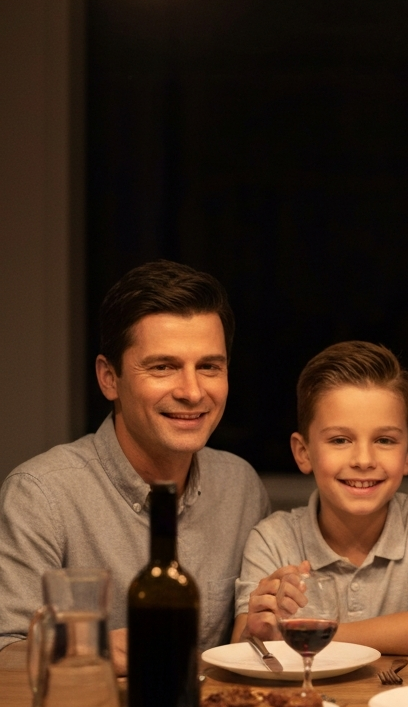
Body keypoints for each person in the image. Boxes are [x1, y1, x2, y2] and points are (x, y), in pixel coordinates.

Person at [0, 261, 271, 672]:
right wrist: (89, 649)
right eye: (163, 367)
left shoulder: (241, 487)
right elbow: (5, 651)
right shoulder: (40, 495)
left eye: (209, 367)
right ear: (110, 378)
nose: (192, 391)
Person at [234, 341, 408, 656]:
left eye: (384, 440)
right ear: (304, 452)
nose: (364, 459)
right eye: (340, 440)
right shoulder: (274, 539)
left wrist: (303, 633)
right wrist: (256, 632)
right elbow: (244, 651)